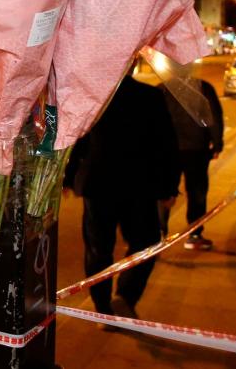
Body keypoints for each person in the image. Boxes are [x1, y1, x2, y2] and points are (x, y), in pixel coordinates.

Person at [64, 73, 180, 320]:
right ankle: (126, 295)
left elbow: (76, 138)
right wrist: (169, 186)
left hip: (98, 184)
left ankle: (103, 308)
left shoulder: (93, 92)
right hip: (139, 185)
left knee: (98, 249)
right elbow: (166, 144)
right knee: (146, 243)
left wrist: (67, 176)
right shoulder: (150, 95)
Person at [160, 79, 224, 251]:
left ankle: (159, 234)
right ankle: (194, 234)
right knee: (197, 191)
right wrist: (217, 142)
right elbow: (214, 116)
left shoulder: (163, 89)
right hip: (197, 148)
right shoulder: (203, 87)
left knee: (164, 191)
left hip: (168, 149)